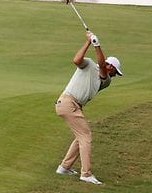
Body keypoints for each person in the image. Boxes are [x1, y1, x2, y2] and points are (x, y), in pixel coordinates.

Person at [54, 29, 123, 186]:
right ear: (111, 66)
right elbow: (76, 60)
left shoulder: (106, 80)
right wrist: (88, 42)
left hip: (73, 105)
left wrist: (96, 45)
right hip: (68, 103)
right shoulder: (90, 64)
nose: (115, 75)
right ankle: (86, 174)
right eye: (115, 72)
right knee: (86, 136)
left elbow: (101, 67)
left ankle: (64, 167)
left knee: (81, 137)